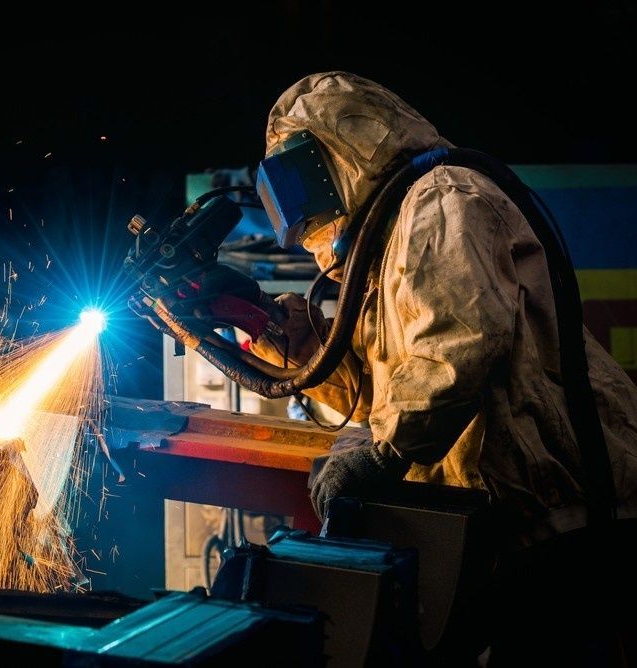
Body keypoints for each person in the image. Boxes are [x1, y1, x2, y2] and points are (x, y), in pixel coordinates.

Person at [154, 71, 637, 663]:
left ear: (335, 156)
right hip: (514, 523)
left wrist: (382, 455)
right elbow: (375, 389)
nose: (311, 234)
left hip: (572, 511)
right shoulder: (386, 245)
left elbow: (456, 348)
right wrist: (268, 329)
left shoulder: (442, 197)